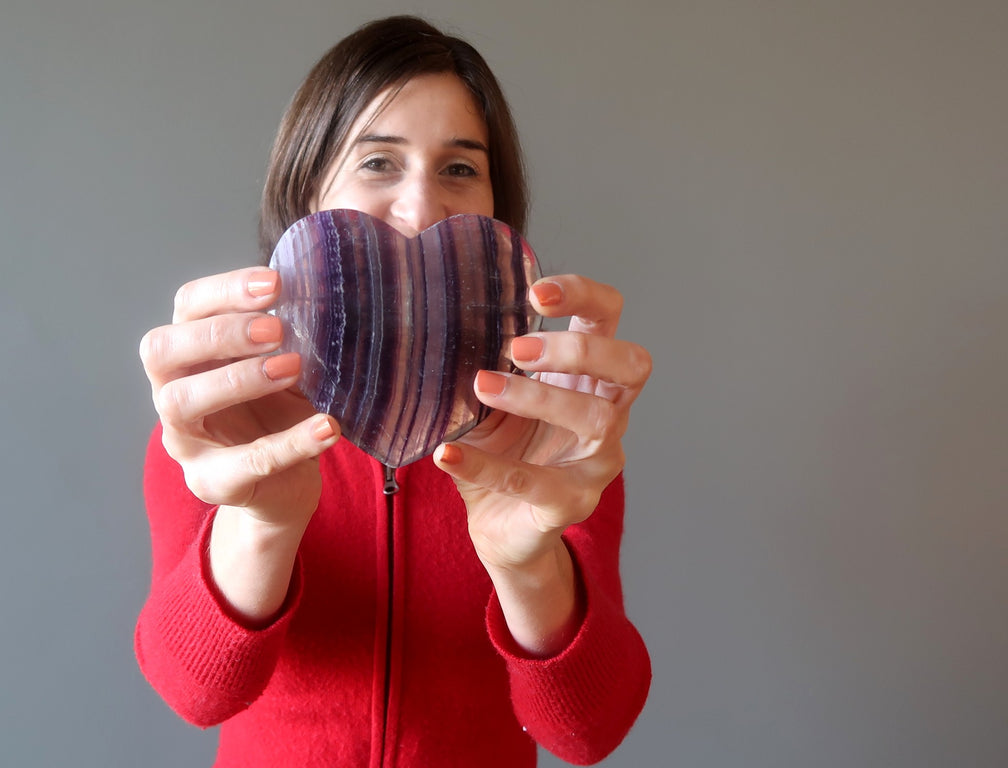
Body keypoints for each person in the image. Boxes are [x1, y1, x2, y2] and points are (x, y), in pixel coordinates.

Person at [136, 15, 652, 768]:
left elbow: (589, 732)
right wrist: (261, 525)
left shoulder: (553, 432)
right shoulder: (226, 418)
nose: (419, 209)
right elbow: (195, 693)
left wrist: (528, 563)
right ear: (308, 188)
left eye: (459, 169)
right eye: (378, 162)